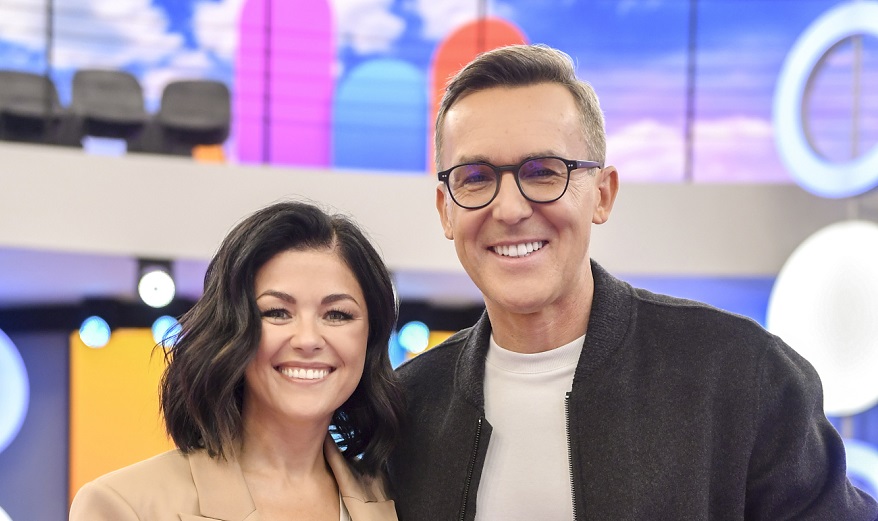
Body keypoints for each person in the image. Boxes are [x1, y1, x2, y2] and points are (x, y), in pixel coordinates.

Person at [387, 44, 878, 520]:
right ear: (445, 210)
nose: (510, 209)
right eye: (475, 177)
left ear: (602, 194)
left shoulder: (741, 375)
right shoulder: (406, 409)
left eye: (543, 172)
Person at [70, 201, 404, 521]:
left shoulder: (399, 498)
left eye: (337, 314)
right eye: (277, 312)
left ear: (371, 337)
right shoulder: (124, 506)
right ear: (231, 330)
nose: (307, 339)